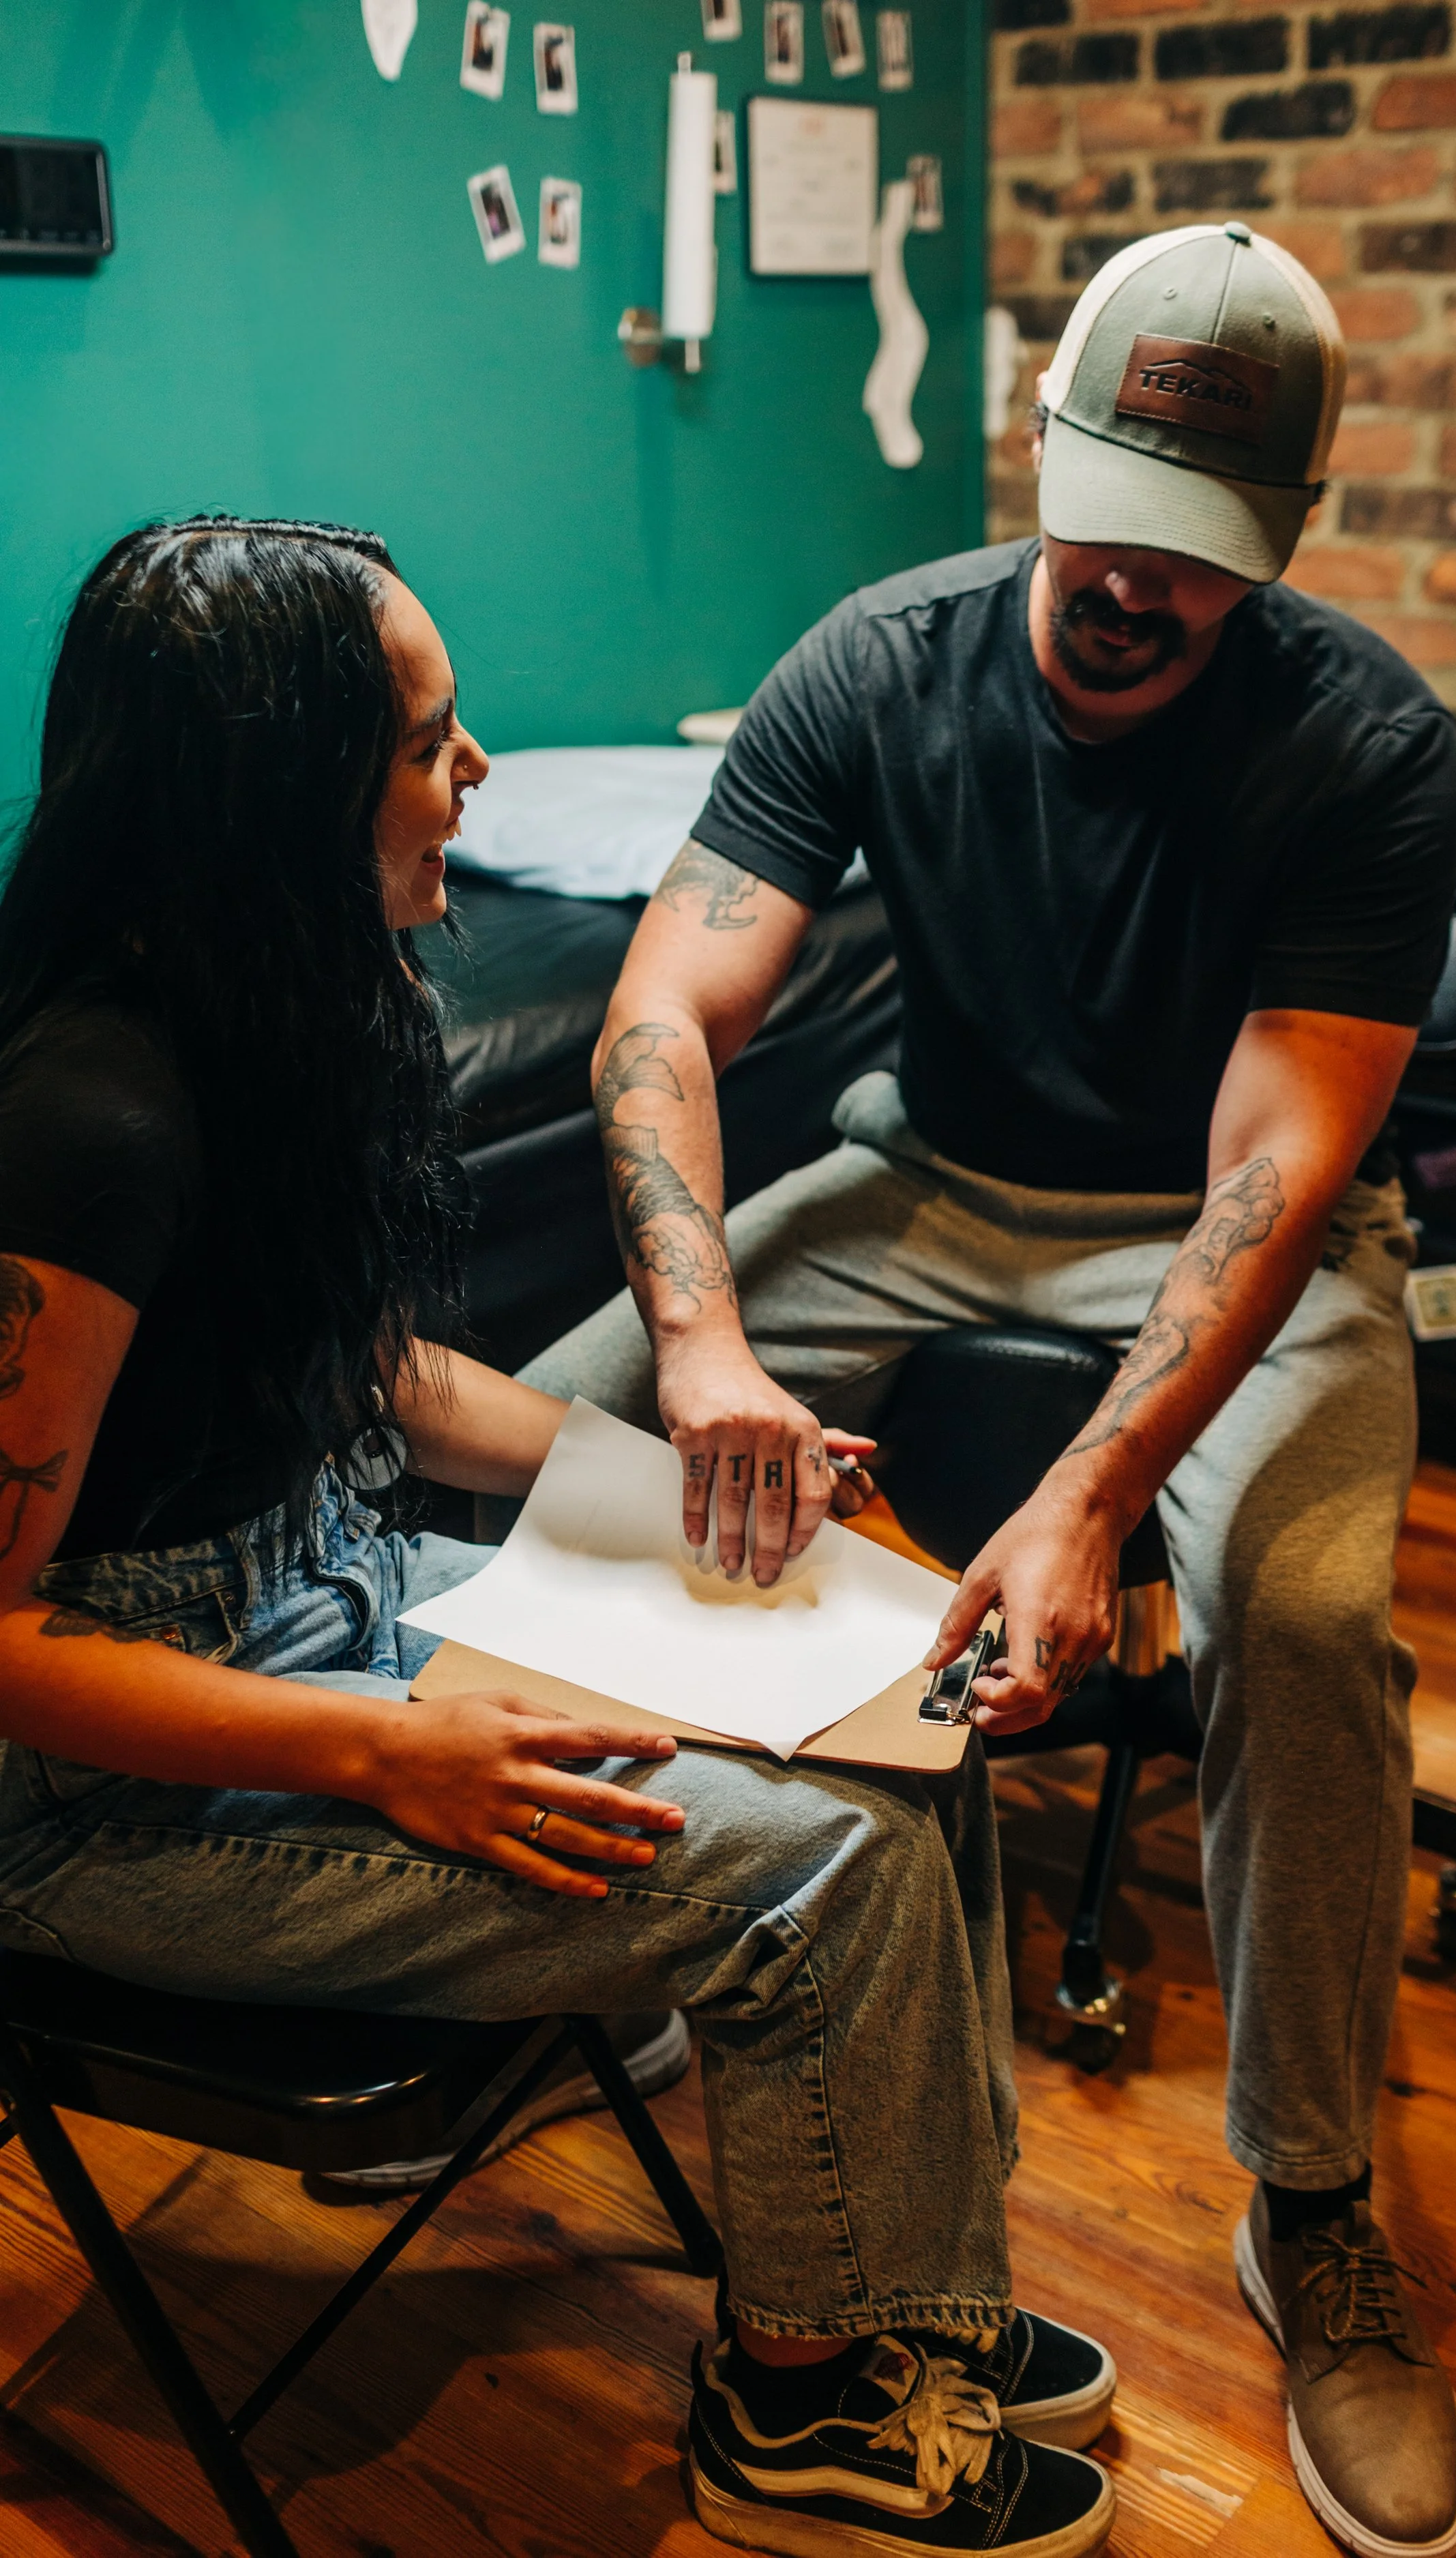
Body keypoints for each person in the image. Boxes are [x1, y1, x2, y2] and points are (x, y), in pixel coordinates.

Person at [0, 516, 1118, 2558]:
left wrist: (702, 1477)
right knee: (809, 1873)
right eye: (429, 740)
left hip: (318, 1593)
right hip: (102, 1783)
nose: (479, 770)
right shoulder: (86, 1116)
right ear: (280, 790)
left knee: (893, 1704)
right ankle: (801, 2413)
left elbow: (381, 1381)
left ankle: (899, 2299)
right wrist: (373, 1748)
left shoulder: (286, 1014)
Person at [524, 224, 1456, 2558]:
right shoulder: (880, 658)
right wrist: (706, 1346)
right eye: (1100, 520)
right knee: (554, 1435)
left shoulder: (1358, 743)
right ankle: (642, 1932)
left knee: (1303, 1596)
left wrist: (1077, 1499)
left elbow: (1274, 1166)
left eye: (1194, 556)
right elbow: (659, 1017)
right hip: (932, 1176)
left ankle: (1311, 2199)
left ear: (1274, 548)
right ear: (1036, 456)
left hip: (1237, 1230)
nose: (1128, 590)